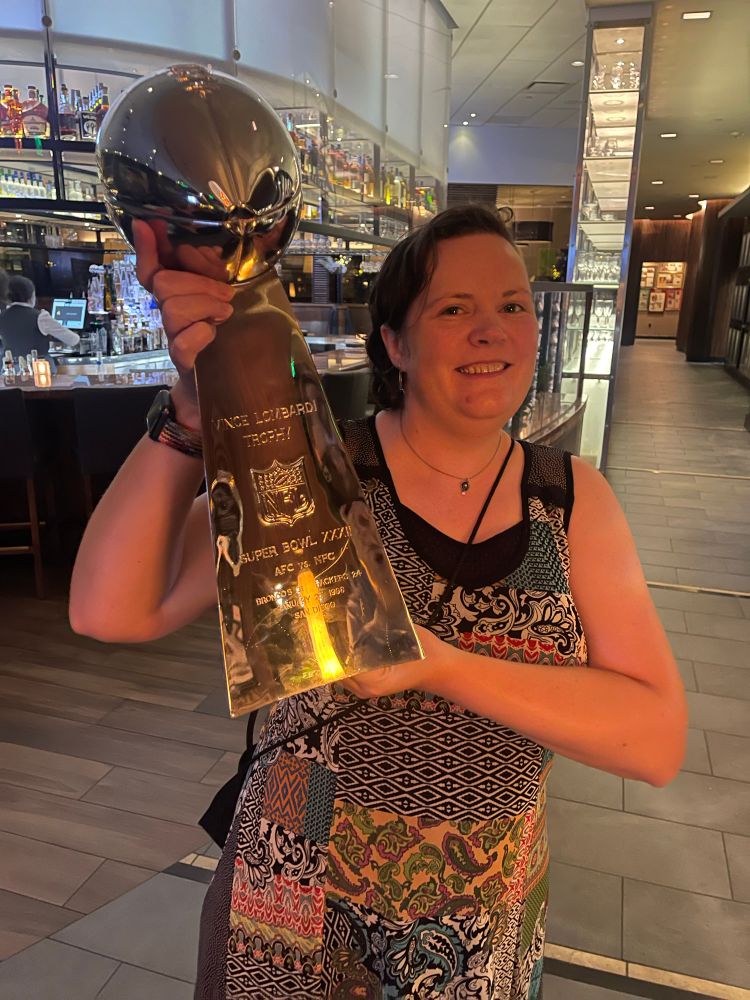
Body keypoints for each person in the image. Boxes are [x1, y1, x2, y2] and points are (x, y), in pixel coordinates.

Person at [69, 205, 687, 999]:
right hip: (289, 912)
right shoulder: (322, 474)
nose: (491, 332)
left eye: (512, 307)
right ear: (395, 341)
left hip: (476, 934)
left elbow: (656, 740)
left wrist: (442, 666)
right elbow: (111, 610)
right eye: (454, 310)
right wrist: (186, 421)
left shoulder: (571, 501)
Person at [0, 274, 80, 369]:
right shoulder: (40, 317)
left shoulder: (2, 317)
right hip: (39, 369)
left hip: (10, 368)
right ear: (31, 296)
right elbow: (73, 340)